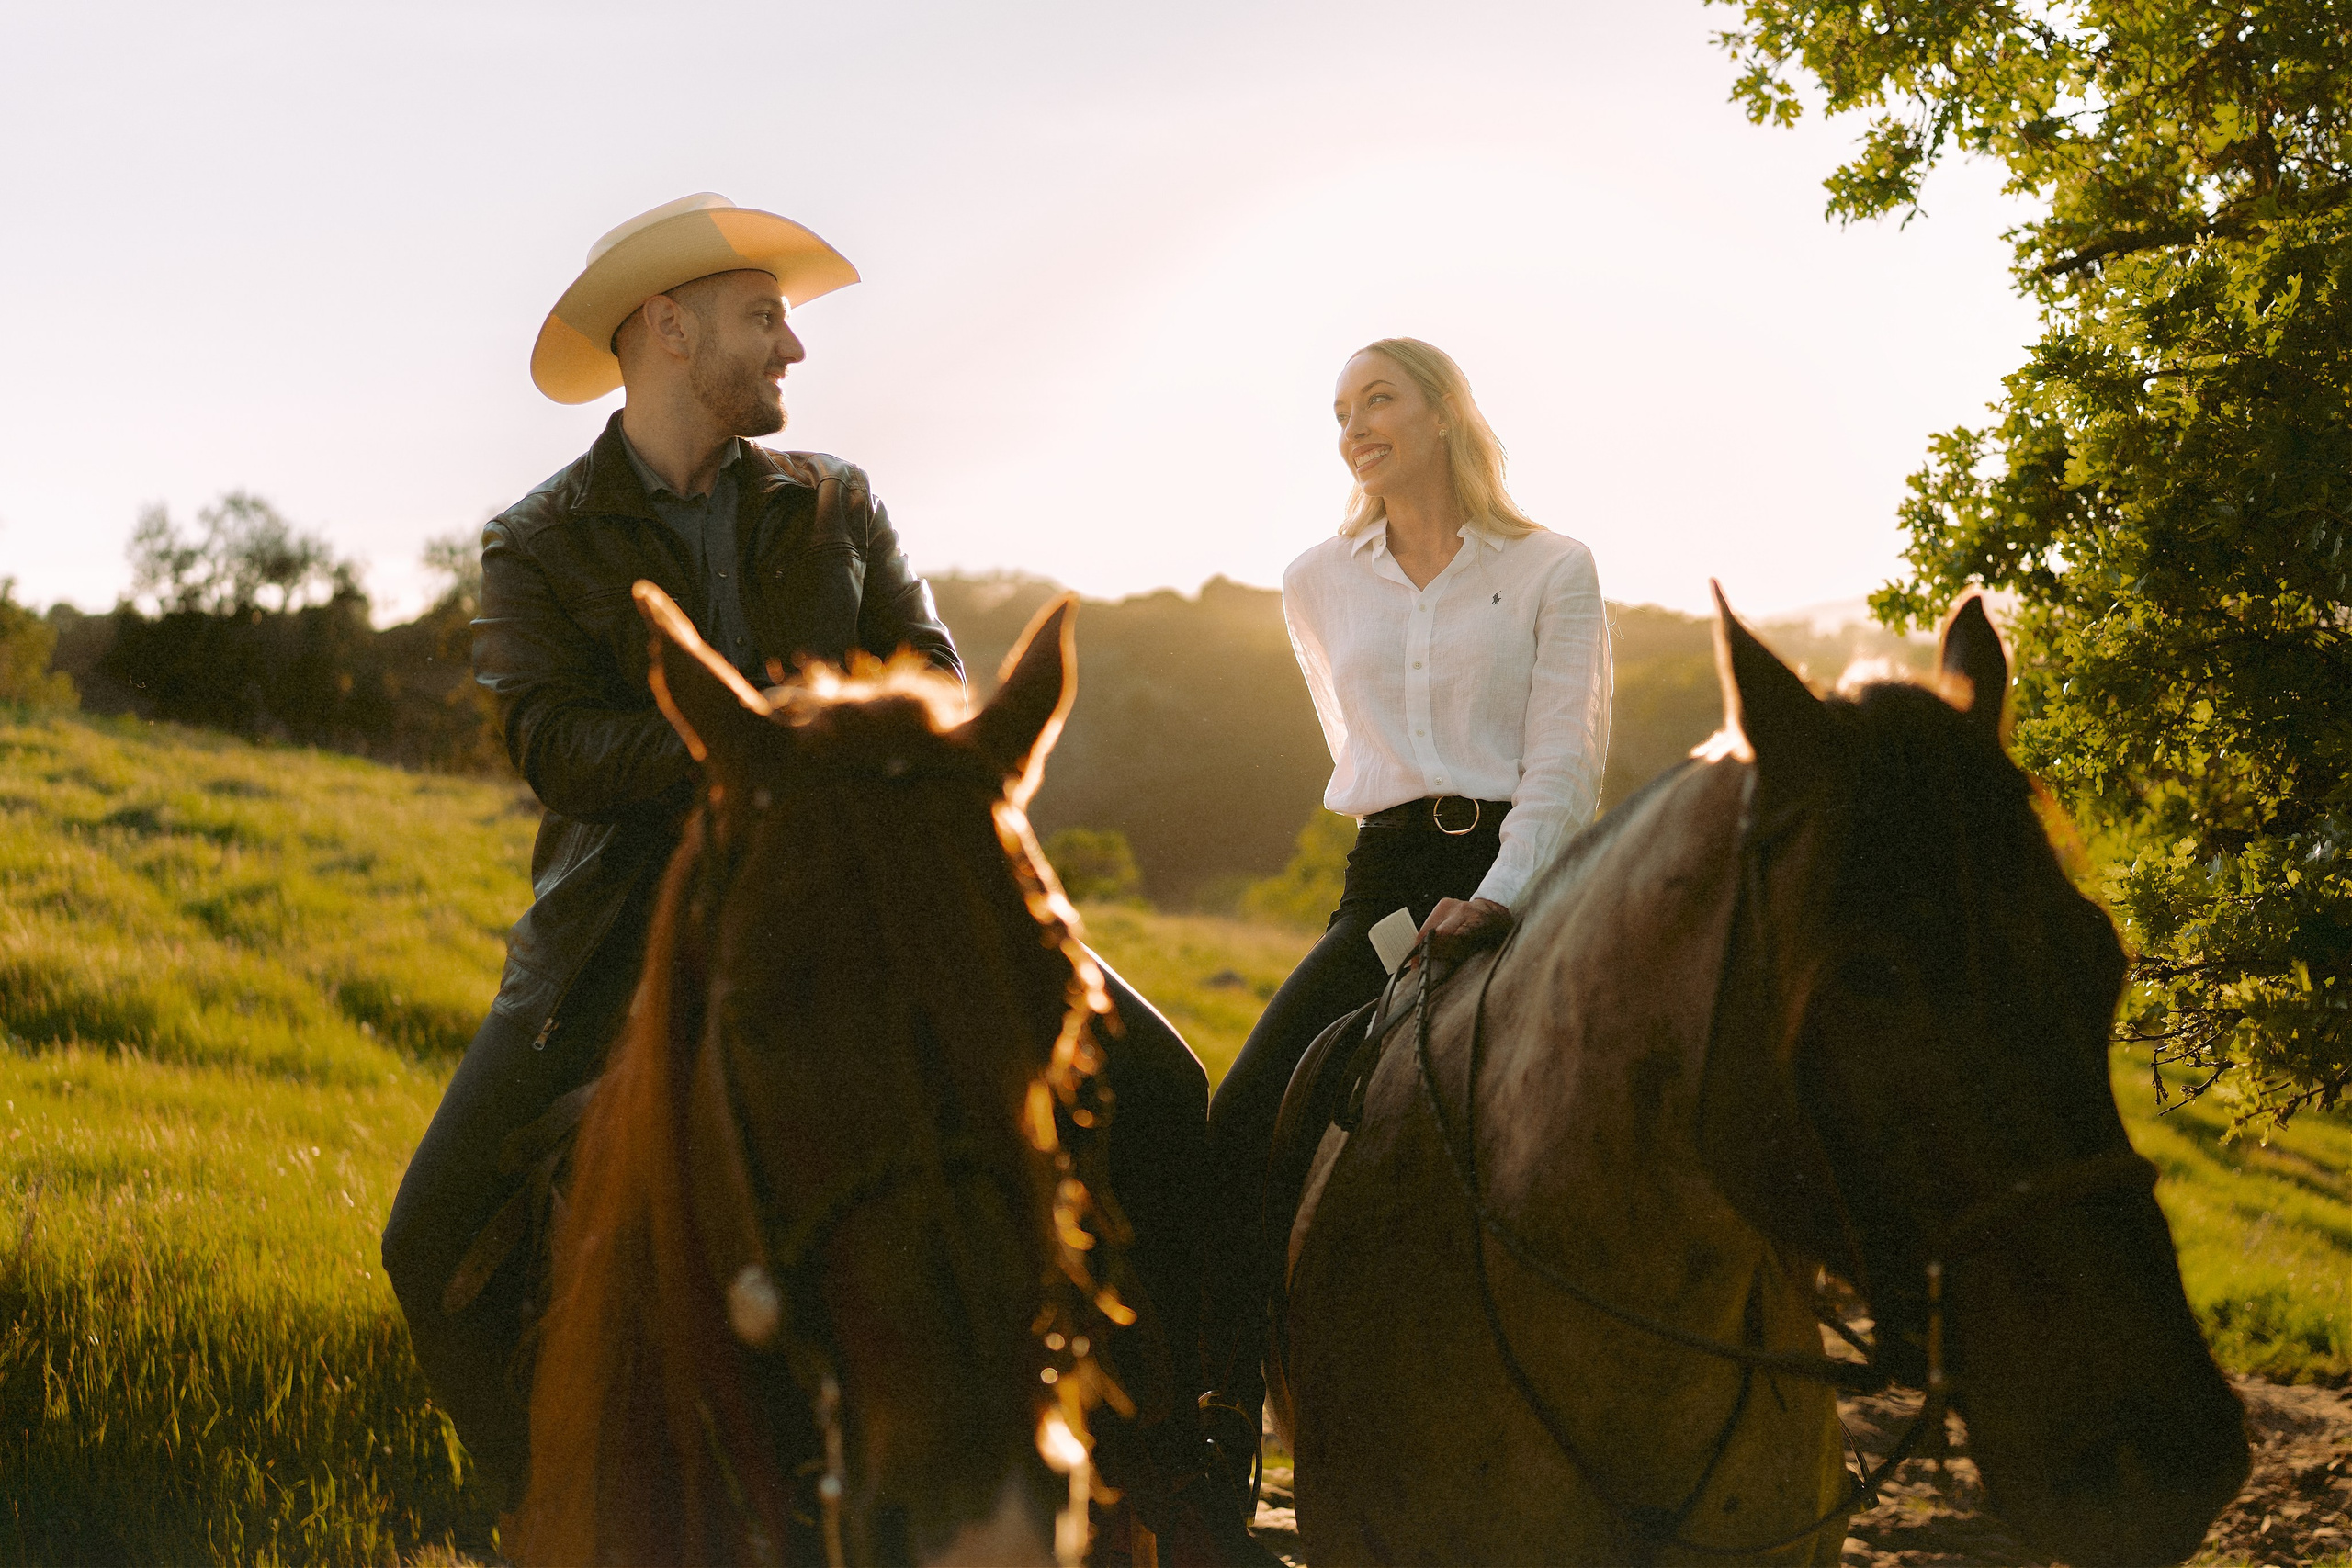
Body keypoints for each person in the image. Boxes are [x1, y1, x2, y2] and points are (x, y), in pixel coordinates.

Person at [379, 195, 1244, 1556]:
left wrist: (816, 765)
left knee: (1162, 1091)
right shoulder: (537, 538)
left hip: (882, 877)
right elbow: (550, 743)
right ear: (669, 327)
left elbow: (935, 673)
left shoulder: (837, 499)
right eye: (764, 317)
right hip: (625, 923)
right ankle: (545, 1513)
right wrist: (759, 762)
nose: (792, 347)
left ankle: (1183, 1482)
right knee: (428, 1242)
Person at [1201, 336, 1613, 1493]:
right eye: (1340, 411)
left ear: (1443, 413)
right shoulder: (1314, 581)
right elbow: (1360, 749)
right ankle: (1216, 1423)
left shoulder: (1555, 566)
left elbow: (1565, 762)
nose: (1354, 427)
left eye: (1377, 399)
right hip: (1386, 882)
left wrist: (1495, 897)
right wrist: (1418, 881)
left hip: (1528, 877)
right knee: (1241, 1120)